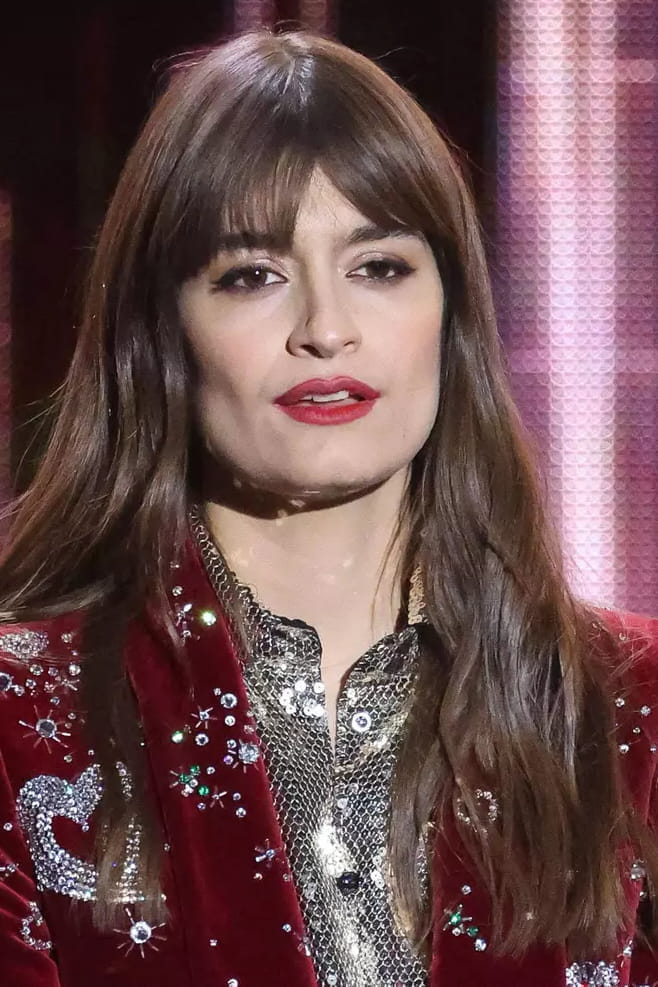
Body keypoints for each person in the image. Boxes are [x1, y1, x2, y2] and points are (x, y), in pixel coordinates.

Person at [0, 26, 656, 987]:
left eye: (379, 266)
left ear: (451, 311)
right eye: (251, 276)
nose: (325, 328)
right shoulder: (23, 720)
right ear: (161, 332)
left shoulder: (631, 707)